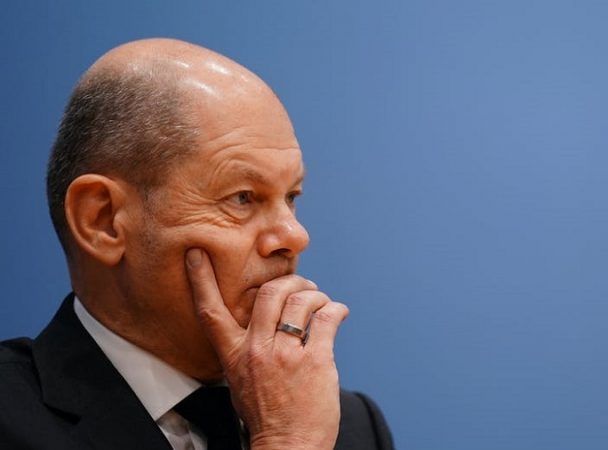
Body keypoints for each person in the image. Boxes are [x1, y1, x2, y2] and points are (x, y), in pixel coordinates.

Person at [0, 38, 394, 450]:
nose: (295, 236)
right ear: (103, 221)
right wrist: (285, 442)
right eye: (242, 197)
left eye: (291, 197)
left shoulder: (350, 427)